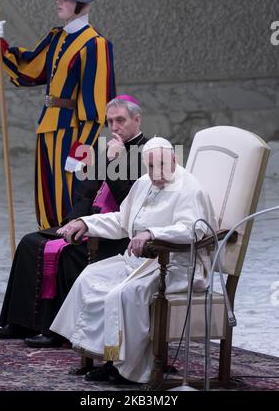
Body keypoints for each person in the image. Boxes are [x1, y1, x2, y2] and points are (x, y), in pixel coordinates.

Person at [50, 137, 218, 383]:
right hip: (138, 264)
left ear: (174, 159)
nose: (157, 173)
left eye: (162, 164)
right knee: (90, 277)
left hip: (174, 266)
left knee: (123, 294)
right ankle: (109, 358)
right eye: (150, 167)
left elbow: (192, 230)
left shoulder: (189, 188)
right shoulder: (143, 183)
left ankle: (130, 369)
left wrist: (153, 233)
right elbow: (121, 221)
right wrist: (85, 222)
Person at [0, 96, 147, 347]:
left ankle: (55, 331)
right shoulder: (104, 148)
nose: (115, 127)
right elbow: (85, 192)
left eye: (121, 120)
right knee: (30, 242)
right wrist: (75, 221)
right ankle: (20, 322)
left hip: (118, 233)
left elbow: (133, 201)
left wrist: (115, 160)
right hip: (88, 223)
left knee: (67, 255)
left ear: (137, 120)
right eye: (110, 121)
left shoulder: (150, 152)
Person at [0, 0, 115, 229]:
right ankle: (46, 260)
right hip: (48, 129)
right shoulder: (57, 37)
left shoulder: (96, 45)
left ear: (81, 1)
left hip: (72, 136)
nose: (58, 0)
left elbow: (97, 110)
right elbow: (29, 70)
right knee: (47, 203)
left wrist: (81, 151)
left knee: (69, 203)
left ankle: (67, 263)